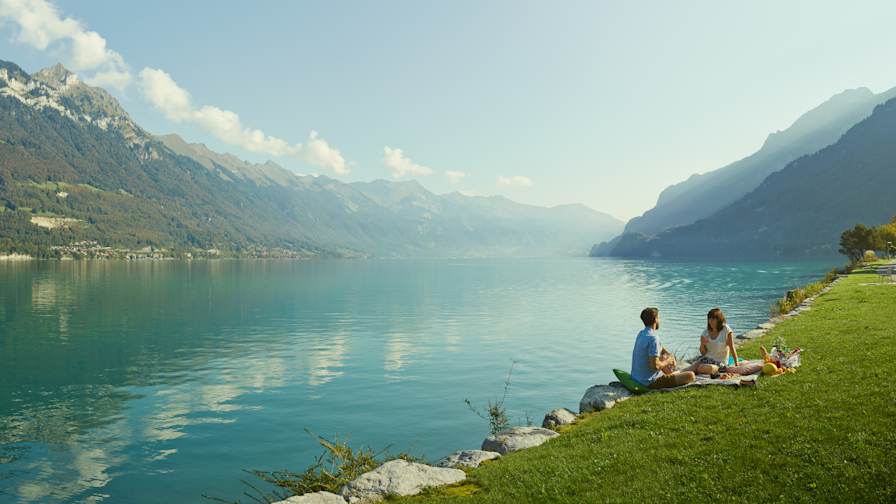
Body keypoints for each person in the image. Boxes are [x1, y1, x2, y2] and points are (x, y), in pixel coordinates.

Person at [631, 307, 695, 389]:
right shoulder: (653, 338)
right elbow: (655, 366)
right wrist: (668, 361)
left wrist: (669, 355)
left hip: (636, 378)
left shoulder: (642, 334)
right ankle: (676, 374)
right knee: (691, 375)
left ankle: (675, 374)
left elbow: (659, 348)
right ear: (655, 320)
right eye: (659, 318)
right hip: (649, 383)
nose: (659, 320)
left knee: (662, 356)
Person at [690, 308, 739, 376]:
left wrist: (737, 363)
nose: (710, 321)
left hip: (720, 363)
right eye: (709, 319)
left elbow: (732, 347)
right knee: (692, 367)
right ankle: (674, 376)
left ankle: (693, 372)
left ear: (719, 319)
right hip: (706, 359)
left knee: (702, 368)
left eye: (713, 319)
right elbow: (703, 353)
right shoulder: (705, 332)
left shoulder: (726, 330)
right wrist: (702, 344)